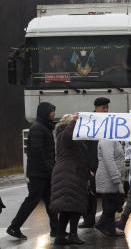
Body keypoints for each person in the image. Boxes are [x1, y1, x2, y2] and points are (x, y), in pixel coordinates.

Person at [7, 102, 58, 239]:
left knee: (50, 200)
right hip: (38, 174)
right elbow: (37, 152)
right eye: (51, 111)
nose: (53, 113)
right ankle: (14, 226)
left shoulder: (45, 127)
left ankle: (56, 229)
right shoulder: (38, 129)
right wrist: (49, 168)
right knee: (32, 200)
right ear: (44, 113)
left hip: (44, 173)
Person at [50, 113, 90, 245]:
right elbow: (68, 136)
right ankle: (72, 235)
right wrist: (74, 122)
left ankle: (60, 236)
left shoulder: (70, 136)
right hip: (69, 173)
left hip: (71, 173)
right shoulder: (64, 134)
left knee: (68, 207)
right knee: (74, 206)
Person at [79, 97, 110, 228]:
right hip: (93, 164)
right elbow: (85, 146)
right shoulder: (89, 122)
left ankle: (105, 219)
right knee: (90, 194)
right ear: (96, 108)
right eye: (104, 107)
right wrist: (87, 165)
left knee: (106, 193)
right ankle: (89, 219)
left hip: (105, 163)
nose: (106, 110)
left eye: (107, 107)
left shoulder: (109, 121)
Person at [95, 139, 125, 237]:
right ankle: (101, 224)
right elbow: (109, 161)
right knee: (111, 205)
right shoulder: (107, 140)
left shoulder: (113, 140)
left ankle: (111, 229)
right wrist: (116, 178)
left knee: (111, 204)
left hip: (111, 176)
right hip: (108, 177)